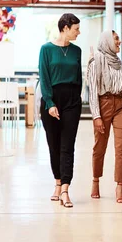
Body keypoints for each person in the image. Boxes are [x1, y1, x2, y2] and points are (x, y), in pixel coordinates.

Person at [39, 13, 82, 208]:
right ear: (65, 28)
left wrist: (76, 98)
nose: (78, 33)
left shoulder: (77, 51)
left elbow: (79, 78)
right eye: (76, 29)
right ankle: (57, 182)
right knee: (54, 145)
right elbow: (44, 76)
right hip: (52, 99)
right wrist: (50, 103)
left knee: (68, 145)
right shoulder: (46, 49)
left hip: (72, 100)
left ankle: (65, 188)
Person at [87, 30, 122, 203]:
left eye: (118, 38)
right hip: (103, 104)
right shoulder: (95, 61)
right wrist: (96, 115)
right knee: (100, 146)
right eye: (116, 39)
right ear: (107, 41)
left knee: (121, 148)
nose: (119, 41)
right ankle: (96, 180)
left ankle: (119, 186)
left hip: (120, 104)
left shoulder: (118, 62)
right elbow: (92, 90)